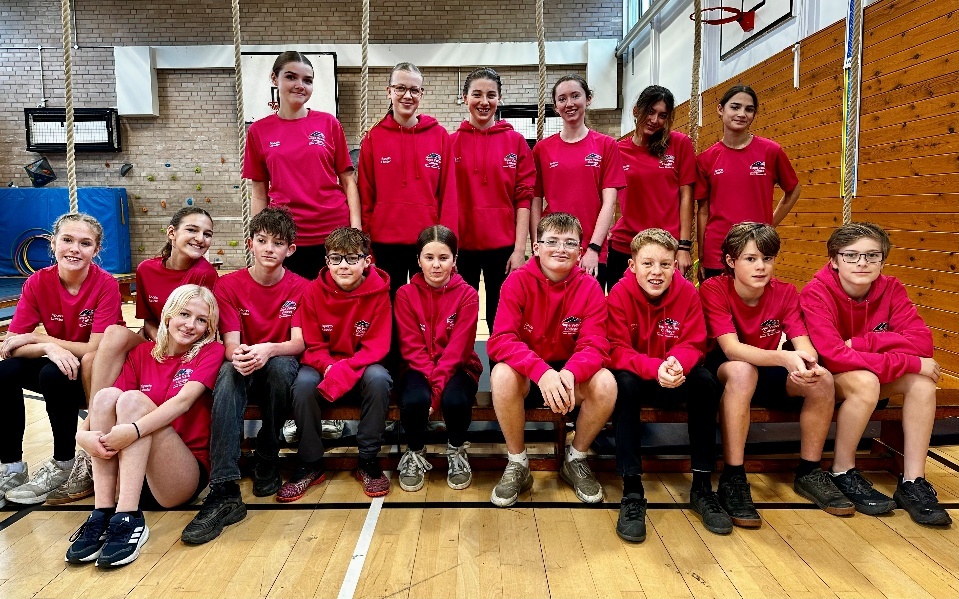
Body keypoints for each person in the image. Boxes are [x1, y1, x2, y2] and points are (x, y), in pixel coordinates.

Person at [52, 207, 217, 507]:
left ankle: (122, 502)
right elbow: (149, 320)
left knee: (128, 393)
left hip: (177, 466)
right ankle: (103, 495)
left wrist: (132, 430)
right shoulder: (147, 270)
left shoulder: (204, 274)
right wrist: (83, 435)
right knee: (106, 358)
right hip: (155, 337)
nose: (200, 238)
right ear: (171, 233)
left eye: (207, 234)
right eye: (192, 230)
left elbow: (199, 317)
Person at [699, 222, 853, 529]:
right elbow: (732, 349)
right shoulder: (714, 289)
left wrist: (807, 365)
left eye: (767, 259)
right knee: (743, 371)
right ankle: (733, 477)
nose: (761, 267)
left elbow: (803, 343)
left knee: (822, 379)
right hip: (725, 370)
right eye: (751, 259)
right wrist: (785, 358)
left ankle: (809, 471)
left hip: (767, 368)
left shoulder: (785, 292)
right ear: (731, 261)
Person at [800, 223, 951, 526]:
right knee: (868, 381)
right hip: (829, 380)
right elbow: (834, 356)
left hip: (871, 370)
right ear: (834, 260)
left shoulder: (891, 288)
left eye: (872, 255)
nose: (862, 263)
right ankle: (842, 471)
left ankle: (913, 482)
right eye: (851, 255)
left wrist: (862, 343)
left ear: (882, 260)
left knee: (923, 383)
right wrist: (908, 361)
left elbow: (922, 343)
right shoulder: (815, 292)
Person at [65, 285, 222, 568]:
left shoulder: (210, 351)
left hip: (179, 477)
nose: (190, 325)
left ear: (209, 328)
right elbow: (104, 406)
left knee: (133, 401)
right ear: (168, 315)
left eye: (201, 320)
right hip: (133, 478)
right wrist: (82, 435)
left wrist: (134, 430)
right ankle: (102, 513)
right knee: (106, 396)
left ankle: (129, 518)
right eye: (184, 314)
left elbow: (183, 402)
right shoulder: (142, 353)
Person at [181, 207, 309, 544]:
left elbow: (297, 342)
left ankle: (268, 453)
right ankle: (224, 486)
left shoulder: (302, 287)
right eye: (262, 241)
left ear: (290, 250)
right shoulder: (228, 285)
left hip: (277, 361)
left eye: (278, 243)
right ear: (250, 243)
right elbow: (230, 343)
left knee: (281, 367)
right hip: (245, 363)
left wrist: (268, 349)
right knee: (226, 373)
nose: (269, 249)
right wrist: (240, 356)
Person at [487, 212, 616, 507]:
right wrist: (541, 372)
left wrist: (570, 373)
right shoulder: (516, 282)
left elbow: (596, 345)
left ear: (580, 251)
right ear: (536, 247)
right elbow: (501, 339)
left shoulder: (590, 287)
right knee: (501, 375)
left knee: (606, 383)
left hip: (569, 377)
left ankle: (576, 458)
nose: (561, 249)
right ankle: (518, 462)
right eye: (552, 241)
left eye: (570, 243)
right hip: (530, 374)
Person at [607, 228, 725, 541]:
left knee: (705, 381)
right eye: (647, 264)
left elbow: (695, 342)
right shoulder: (619, 293)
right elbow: (616, 349)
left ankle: (702, 486)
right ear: (632, 265)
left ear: (675, 265)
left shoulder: (687, 293)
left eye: (664, 264)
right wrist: (654, 367)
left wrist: (677, 363)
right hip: (640, 374)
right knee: (623, 384)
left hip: (675, 373)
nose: (656, 272)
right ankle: (632, 490)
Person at [0, 213, 123, 507]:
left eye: (85, 243)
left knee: (55, 374)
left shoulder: (106, 284)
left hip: (98, 374)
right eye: (67, 240)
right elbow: (11, 345)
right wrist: (48, 348)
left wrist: (40, 339)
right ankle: (11, 467)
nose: (74, 249)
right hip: (63, 363)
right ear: (53, 243)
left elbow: (95, 347)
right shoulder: (37, 282)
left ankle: (63, 463)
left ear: (96, 250)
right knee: (5, 371)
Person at [285, 227, 393, 500]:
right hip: (324, 365)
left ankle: (368, 460)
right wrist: (328, 367)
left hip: (360, 365)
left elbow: (376, 346)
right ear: (327, 261)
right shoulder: (313, 291)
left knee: (379, 379)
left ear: (366, 261)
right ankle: (311, 462)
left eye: (352, 258)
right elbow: (313, 344)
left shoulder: (379, 293)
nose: (343, 265)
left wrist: (343, 370)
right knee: (303, 384)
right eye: (336, 258)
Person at [244, 50, 360, 280]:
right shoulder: (258, 131)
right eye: (291, 77)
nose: (300, 85)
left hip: (333, 233)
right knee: (292, 300)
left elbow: (348, 181)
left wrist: (355, 231)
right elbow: (259, 193)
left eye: (307, 80)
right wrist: (259, 238)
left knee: (332, 298)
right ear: (274, 78)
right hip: (285, 236)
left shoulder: (329, 123)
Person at [394, 226, 482, 492]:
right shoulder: (405, 294)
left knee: (454, 400)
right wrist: (432, 390)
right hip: (416, 366)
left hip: (459, 366)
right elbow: (412, 349)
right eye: (429, 257)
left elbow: (457, 352)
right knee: (413, 400)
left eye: (443, 258)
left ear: (455, 260)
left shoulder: (468, 295)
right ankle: (415, 451)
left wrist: (436, 394)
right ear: (418, 260)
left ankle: (456, 449)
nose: (436, 265)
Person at [359, 62, 458, 297]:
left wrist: (449, 245)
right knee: (387, 307)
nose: (407, 95)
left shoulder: (439, 136)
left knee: (424, 308)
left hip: (428, 243)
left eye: (414, 90)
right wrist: (365, 245)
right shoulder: (373, 138)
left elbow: (449, 195)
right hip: (384, 242)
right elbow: (365, 196)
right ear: (389, 91)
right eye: (400, 88)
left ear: (421, 93)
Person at [451, 67, 535, 327]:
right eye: (477, 94)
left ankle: (501, 357)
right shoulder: (450, 143)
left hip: (503, 249)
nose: (484, 102)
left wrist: (520, 250)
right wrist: (447, 250)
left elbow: (524, 200)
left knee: (501, 319)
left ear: (500, 98)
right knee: (461, 319)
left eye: (491, 95)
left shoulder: (516, 142)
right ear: (465, 98)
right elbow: (442, 200)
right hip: (461, 249)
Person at [695, 85, 801, 282]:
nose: (742, 114)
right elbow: (703, 210)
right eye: (735, 107)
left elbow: (793, 189)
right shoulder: (706, 159)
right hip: (716, 252)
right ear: (721, 109)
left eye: (749, 109)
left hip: (756, 249)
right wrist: (702, 255)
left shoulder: (770, 151)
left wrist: (769, 225)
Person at [531, 74, 625, 289]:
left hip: (591, 251)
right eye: (562, 99)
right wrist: (539, 244)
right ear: (556, 106)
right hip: (553, 248)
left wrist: (593, 248)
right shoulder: (542, 149)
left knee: (588, 308)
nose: (569, 103)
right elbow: (535, 200)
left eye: (575, 96)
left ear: (588, 99)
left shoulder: (606, 145)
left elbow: (609, 202)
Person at [609, 86, 696, 287]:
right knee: (621, 304)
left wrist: (684, 246)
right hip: (626, 245)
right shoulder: (618, 150)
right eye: (650, 111)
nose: (655, 120)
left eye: (662, 115)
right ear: (636, 111)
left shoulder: (679, 144)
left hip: (666, 245)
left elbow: (687, 196)